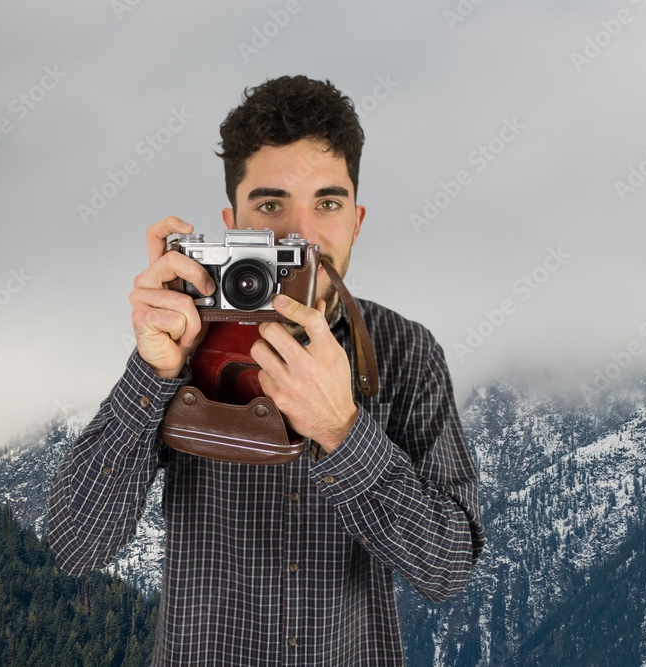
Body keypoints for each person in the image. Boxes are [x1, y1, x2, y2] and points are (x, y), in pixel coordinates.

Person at [47, 75, 485, 666]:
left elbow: (448, 568)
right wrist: (152, 374)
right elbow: (76, 544)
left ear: (356, 220)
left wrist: (342, 433)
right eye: (272, 205)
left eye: (326, 204)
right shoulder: (187, 336)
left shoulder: (405, 351)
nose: (301, 235)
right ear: (235, 224)